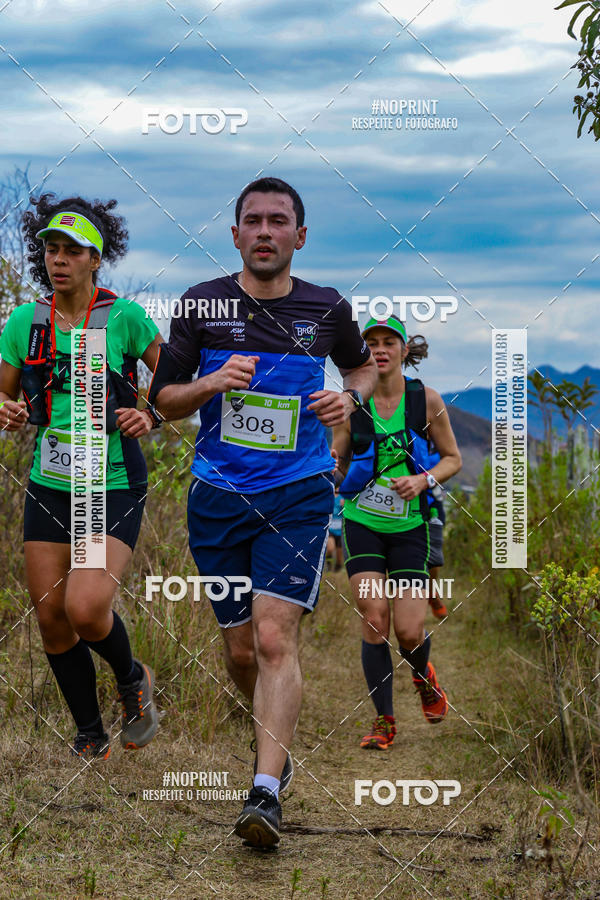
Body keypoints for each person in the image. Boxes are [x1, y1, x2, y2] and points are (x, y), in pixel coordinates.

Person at [149, 176, 377, 847]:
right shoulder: (200, 306)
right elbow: (163, 400)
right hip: (218, 497)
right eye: (254, 221)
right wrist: (211, 383)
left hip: (300, 492)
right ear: (236, 235)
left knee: (276, 637)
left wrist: (350, 399)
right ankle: (270, 744)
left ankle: (265, 792)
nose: (266, 231)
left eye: (280, 221)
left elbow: (360, 369)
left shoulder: (327, 308)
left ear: (299, 236)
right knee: (243, 647)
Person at [0, 195, 164, 760]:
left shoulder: (122, 317)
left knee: (86, 608)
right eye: (52, 248)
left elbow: (171, 376)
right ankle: (91, 734)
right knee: (50, 617)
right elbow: (2, 391)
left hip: (109, 480)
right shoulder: (27, 321)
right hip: (51, 479)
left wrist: (151, 413)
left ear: (97, 258)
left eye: (74, 250)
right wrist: (8, 410)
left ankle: (131, 676)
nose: (60, 259)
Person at [334, 316, 461, 751]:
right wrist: (329, 471)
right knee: (374, 617)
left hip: (410, 527)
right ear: (362, 352)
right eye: (372, 343)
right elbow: (338, 460)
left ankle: (425, 680)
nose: (380, 350)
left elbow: (452, 459)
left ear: (406, 350)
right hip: (362, 521)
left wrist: (423, 481)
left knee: (409, 632)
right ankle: (383, 721)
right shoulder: (351, 404)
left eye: (390, 342)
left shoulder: (426, 400)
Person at [411, 435, 448, 619]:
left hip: (431, 505)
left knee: (432, 558)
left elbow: (450, 462)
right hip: (402, 504)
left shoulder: (438, 443)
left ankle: (432, 594)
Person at [326, 488, 344, 571]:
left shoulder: (343, 497)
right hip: (330, 528)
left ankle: (338, 567)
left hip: (340, 529)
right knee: (330, 548)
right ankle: (328, 563)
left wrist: (344, 506)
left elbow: (348, 513)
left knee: (339, 555)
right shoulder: (328, 497)